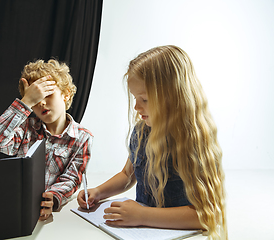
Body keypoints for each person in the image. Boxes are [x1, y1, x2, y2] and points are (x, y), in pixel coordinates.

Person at [77, 45, 227, 239]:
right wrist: (98, 192)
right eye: (135, 98)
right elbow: (127, 175)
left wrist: (143, 215)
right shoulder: (141, 131)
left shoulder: (193, 141)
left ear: (173, 96)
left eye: (145, 99)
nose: (136, 107)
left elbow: (207, 215)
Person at [0, 59, 93, 221]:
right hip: (17, 206)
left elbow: (72, 179)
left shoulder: (83, 137)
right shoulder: (25, 129)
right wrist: (26, 102)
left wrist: (53, 197)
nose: (42, 102)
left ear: (66, 94)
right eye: (36, 99)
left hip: (51, 216)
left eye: (48, 95)